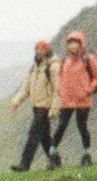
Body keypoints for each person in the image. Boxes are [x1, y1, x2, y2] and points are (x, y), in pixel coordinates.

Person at [6, 39, 62, 170]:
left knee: (33, 135)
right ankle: (56, 160)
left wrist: (54, 109)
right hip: (36, 107)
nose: (38, 52)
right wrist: (16, 101)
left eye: (42, 49)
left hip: (45, 107)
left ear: (47, 50)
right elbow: (26, 88)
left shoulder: (53, 67)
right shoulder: (34, 68)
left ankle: (25, 164)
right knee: (44, 138)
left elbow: (58, 90)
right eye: (36, 49)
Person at [54, 30, 97, 164]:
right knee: (61, 126)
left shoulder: (88, 59)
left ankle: (87, 155)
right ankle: (53, 154)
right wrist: (60, 91)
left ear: (81, 44)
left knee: (82, 126)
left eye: (75, 42)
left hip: (83, 100)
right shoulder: (65, 61)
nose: (72, 45)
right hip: (67, 100)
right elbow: (60, 77)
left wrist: (88, 90)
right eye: (70, 42)